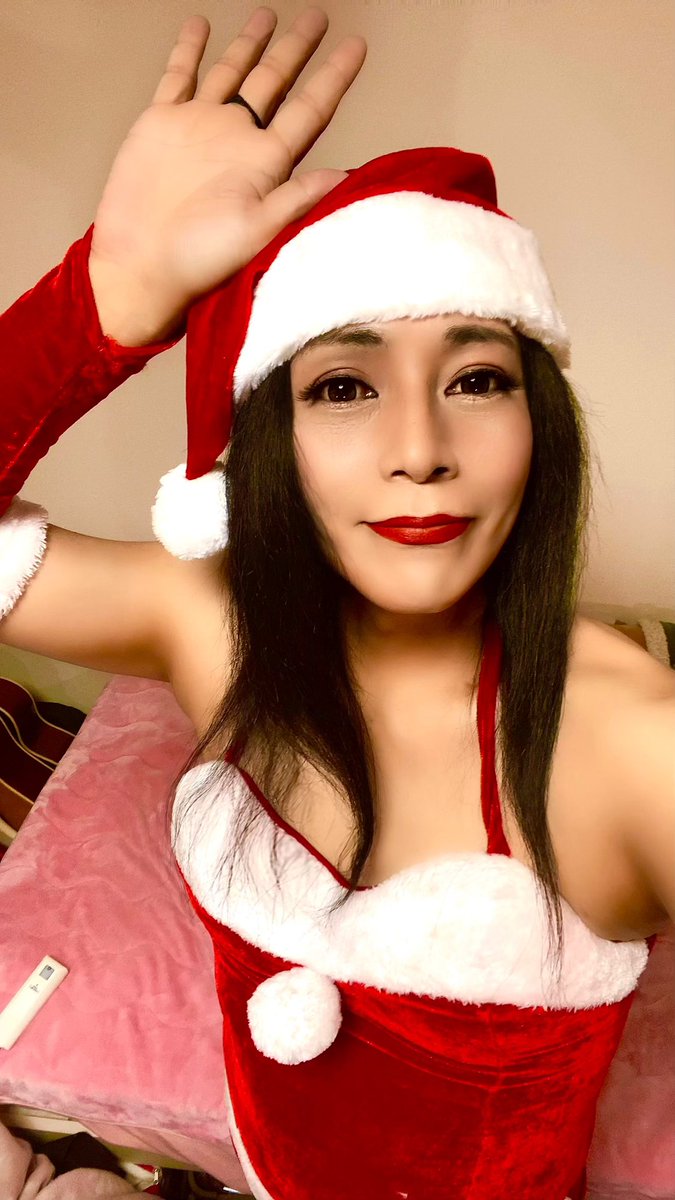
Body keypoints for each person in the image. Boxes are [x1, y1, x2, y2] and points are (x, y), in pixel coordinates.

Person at [0, 6, 673, 1199]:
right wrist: (101, 302)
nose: (420, 450)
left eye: (478, 377)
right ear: (269, 440)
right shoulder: (209, 622)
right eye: (346, 388)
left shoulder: (631, 745)